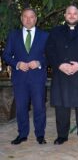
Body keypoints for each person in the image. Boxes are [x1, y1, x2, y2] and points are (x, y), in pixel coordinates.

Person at [46, 5, 78, 145]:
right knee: (61, 106)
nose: (72, 15)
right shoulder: (55, 31)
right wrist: (59, 65)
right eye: (69, 13)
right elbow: (49, 50)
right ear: (65, 15)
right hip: (61, 74)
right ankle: (62, 135)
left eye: (75, 13)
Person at [2, 8, 48, 145]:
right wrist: (17, 64)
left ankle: (40, 135)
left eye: (31, 17)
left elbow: (51, 56)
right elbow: (5, 55)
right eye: (25, 17)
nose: (28, 20)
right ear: (21, 19)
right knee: (21, 108)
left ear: (36, 19)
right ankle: (22, 134)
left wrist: (39, 62)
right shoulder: (13, 35)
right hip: (20, 78)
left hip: (37, 78)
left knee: (39, 107)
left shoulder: (45, 36)